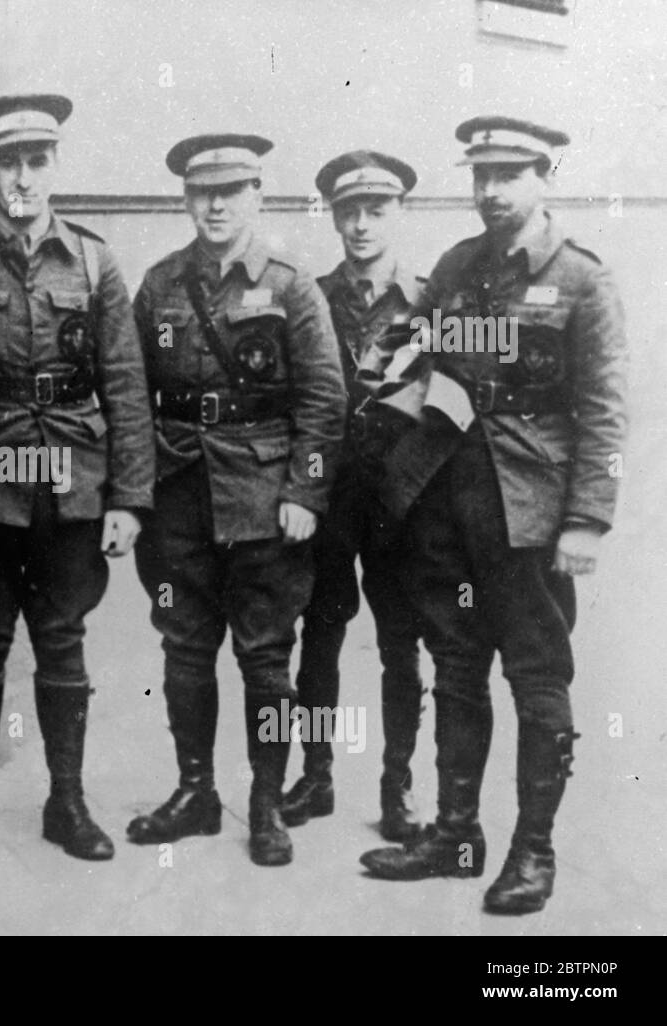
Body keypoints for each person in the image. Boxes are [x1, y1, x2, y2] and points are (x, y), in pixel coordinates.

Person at [359, 117, 628, 915]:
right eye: (480, 175)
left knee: (538, 674)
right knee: (456, 667)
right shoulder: (456, 266)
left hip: (533, 512)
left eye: (508, 174)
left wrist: (587, 521)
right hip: (448, 499)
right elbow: (425, 353)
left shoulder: (583, 280)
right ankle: (454, 835)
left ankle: (533, 852)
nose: (490, 192)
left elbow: (606, 413)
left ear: (545, 174)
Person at [0, 95, 155, 862]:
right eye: (6, 161)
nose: (22, 176)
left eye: (36, 160)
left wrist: (129, 498)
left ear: (54, 165)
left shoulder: (91, 258)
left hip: (71, 480)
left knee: (62, 641)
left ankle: (68, 801)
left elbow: (125, 383)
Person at [128, 134, 347, 866]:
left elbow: (324, 398)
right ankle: (196, 792)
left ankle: (264, 800)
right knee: (185, 649)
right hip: (179, 491)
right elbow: (133, 395)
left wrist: (307, 491)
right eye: (201, 192)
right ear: (186, 199)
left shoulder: (291, 285)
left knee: (265, 659)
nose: (215, 205)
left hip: (264, 496)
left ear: (257, 194)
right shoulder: (160, 285)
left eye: (231, 190)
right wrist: (136, 493)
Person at [281, 151, 427, 842]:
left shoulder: (430, 303)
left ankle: (397, 788)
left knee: (403, 644)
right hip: (332, 494)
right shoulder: (310, 298)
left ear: (400, 213)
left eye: (377, 209)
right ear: (333, 216)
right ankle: (315, 776)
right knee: (320, 636)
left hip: (400, 503)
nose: (362, 224)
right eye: (350, 211)